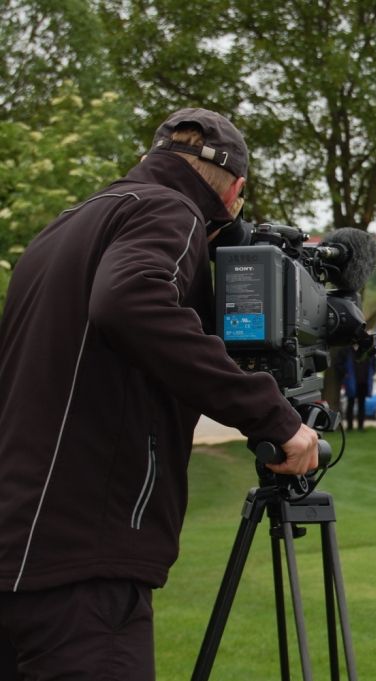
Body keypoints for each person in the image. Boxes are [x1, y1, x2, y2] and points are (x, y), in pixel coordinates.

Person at [0, 108, 321, 679]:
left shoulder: (64, 226)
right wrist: (272, 416)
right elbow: (130, 301)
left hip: (19, 546)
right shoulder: (169, 209)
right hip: (84, 560)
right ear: (235, 192)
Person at [342, 347, 375, 431]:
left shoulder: (367, 350)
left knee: (361, 405)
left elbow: (373, 365)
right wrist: (345, 374)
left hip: (363, 383)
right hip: (351, 383)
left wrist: (371, 374)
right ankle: (350, 427)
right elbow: (340, 365)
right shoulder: (347, 351)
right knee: (350, 404)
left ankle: (361, 427)